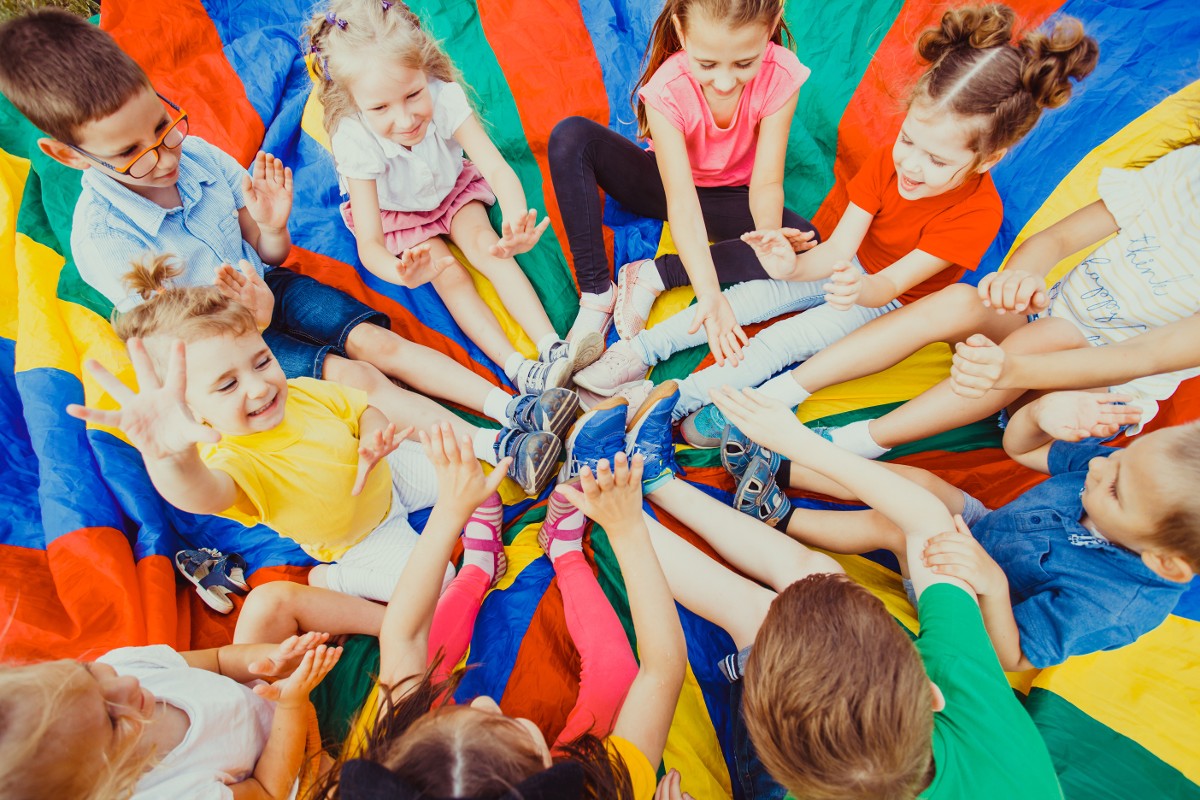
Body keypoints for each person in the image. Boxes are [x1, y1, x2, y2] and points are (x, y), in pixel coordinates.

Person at [0, 8, 575, 470]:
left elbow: (266, 251)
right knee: (359, 377)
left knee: (380, 344)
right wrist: (250, 317)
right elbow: (183, 351)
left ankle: (516, 405)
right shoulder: (104, 242)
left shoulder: (197, 156)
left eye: (163, 125)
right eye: (129, 153)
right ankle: (499, 448)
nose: (163, 155)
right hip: (225, 351)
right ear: (64, 155)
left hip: (267, 284)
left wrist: (271, 227)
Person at [578, 4, 1097, 442]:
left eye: (938, 161)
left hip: (888, 303)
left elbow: (891, 285)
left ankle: (669, 401)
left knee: (779, 343)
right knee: (748, 297)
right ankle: (639, 351)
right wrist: (789, 264)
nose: (912, 165)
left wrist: (855, 286)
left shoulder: (977, 213)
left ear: (989, 159)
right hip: (848, 269)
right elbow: (834, 252)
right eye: (909, 141)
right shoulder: (887, 165)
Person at [725, 134, 1200, 462]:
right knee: (962, 299)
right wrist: (1022, 276)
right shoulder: (1184, 174)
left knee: (1051, 335)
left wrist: (1013, 368)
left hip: (1088, 396)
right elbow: (1050, 242)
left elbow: (1145, 356)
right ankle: (778, 394)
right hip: (1031, 332)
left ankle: (850, 443)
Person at [711, 386, 1063, 799]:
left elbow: (927, 522)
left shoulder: (971, 707)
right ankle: (663, 486)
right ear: (933, 695)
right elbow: (929, 523)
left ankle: (651, 487)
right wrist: (799, 444)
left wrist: (799, 441)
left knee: (767, 614)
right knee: (808, 585)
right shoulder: (992, 736)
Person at [308, 425, 687, 799]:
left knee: (422, 661)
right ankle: (566, 554)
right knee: (616, 673)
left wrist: (451, 509)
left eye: (463, 713)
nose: (487, 701)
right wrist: (627, 529)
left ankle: (477, 570)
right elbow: (661, 670)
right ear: (546, 776)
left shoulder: (395, 750)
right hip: (588, 771)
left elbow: (403, 635)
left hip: (411, 734)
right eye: (503, 720)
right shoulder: (602, 791)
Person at [723, 388, 1197, 669]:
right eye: (1116, 458)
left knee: (897, 523)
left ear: (1164, 561)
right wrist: (1040, 413)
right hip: (986, 527)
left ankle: (779, 516)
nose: (1097, 466)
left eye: (1115, 489)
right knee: (924, 484)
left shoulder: (1115, 606)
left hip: (965, 594)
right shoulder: (1114, 474)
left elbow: (1011, 656)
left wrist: (989, 585)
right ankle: (784, 466)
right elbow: (1022, 448)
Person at [307, 0, 602, 396]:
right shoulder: (354, 137)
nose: (405, 119)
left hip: (452, 190)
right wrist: (399, 272)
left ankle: (553, 346)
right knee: (448, 274)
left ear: (425, 70)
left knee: (489, 247)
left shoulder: (442, 96)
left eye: (413, 95)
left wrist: (515, 218)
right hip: (401, 215)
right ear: (354, 102)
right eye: (380, 107)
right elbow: (370, 243)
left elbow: (496, 169)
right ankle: (519, 368)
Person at [549, 0, 818, 363]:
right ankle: (597, 293)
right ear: (681, 30)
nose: (724, 82)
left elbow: (767, 181)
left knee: (803, 247)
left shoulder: (781, 74)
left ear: (771, 28)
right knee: (571, 136)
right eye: (707, 64)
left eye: (744, 63)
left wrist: (766, 237)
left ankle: (654, 274)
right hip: (664, 185)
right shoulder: (667, 89)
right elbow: (682, 202)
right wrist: (709, 291)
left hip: (731, 196)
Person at [0, 632, 341, 799]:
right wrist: (293, 706)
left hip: (262, 693)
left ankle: (385, 624)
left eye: (88, 672)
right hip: (292, 764)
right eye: (112, 718)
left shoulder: (123, 667)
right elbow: (268, 791)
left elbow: (221, 659)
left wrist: (272, 659)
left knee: (268, 601)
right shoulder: (169, 794)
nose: (126, 684)